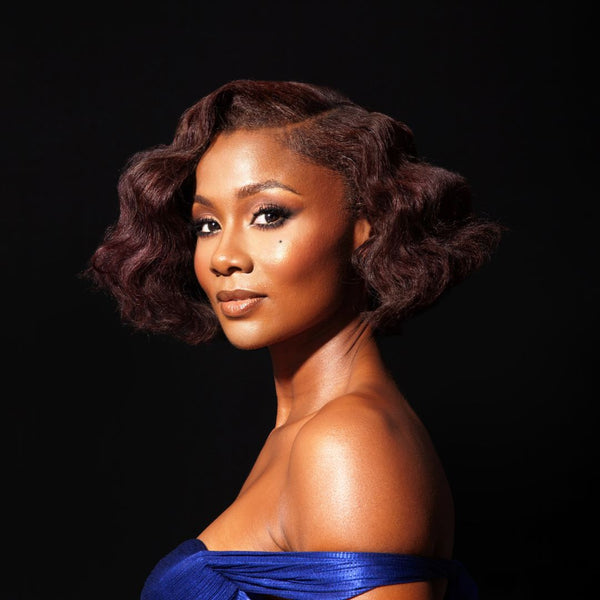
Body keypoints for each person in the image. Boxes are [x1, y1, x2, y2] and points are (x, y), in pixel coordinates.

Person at [86, 79, 503, 599]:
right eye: (208, 224)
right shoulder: (306, 432)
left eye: (268, 215)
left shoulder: (345, 442)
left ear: (368, 225)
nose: (224, 257)